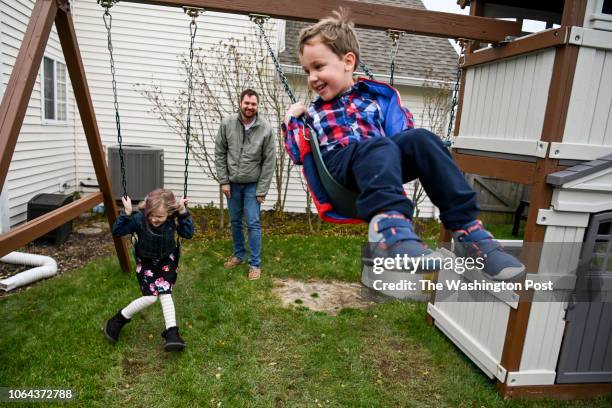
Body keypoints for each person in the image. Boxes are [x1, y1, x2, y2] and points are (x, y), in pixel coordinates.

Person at [281, 9, 525, 281]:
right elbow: (296, 152)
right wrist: (292, 119)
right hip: (340, 171)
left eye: (318, 66)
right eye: (307, 71)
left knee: (421, 138)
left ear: (348, 61)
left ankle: (469, 233)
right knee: (378, 146)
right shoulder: (312, 113)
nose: (312, 77)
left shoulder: (376, 99)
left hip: (379, 166)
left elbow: (403, 135)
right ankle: (390, 231)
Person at [104, 189, 195, 351]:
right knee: (151, 297)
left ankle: (172, 333)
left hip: (167, 260)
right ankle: (118, 319)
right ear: (146, 210)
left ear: (169, 212)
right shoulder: (139, 219)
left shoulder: (173, 220)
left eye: (159, 216)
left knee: (166, 292)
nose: (154, 219)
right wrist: (126, 212)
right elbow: (117, 231)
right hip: (145, 262)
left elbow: (188, 233)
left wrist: (182, 211)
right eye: (151, 215)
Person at [215, 89, 276, 280]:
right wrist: (224, 181)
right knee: (235, 222)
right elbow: (220, 153)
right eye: (247, 103)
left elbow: (269, 161)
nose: (250, 107)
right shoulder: (227, 123)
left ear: (257, 106)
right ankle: (239, 255)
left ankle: (255, 264)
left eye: (253, 104)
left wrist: (262, 190)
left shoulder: (265, 128)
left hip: (252, 185)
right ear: (240, 103)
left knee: (253, 223)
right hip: (232, 184)